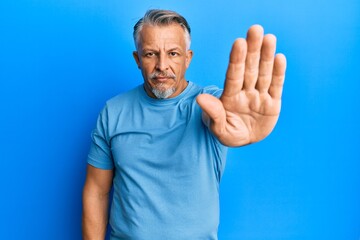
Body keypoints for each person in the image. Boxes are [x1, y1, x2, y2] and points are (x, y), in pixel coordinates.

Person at [82, 9, 286, 240]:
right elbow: (96, 191)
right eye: (150, 54)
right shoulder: (113, 111)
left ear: (188, 58)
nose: (162, 65)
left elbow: (218, 114)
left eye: (173, 53)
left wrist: (235, 121)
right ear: (137, 59)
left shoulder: (209, 104)